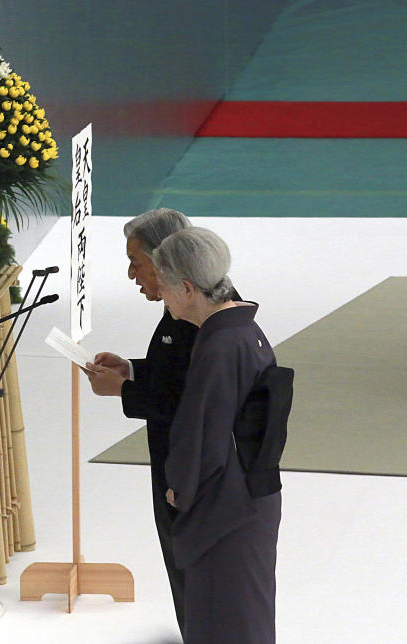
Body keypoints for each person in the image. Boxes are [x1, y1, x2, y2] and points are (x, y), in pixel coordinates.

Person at [154, 227, 281, 644]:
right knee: (246, 615)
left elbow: (202, 433)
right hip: (252, 496)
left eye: (164, 287)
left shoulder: (220, 345)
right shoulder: (245, 332)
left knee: (221, 620)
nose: (162, 297)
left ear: (187, 288)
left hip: (227, 509)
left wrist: (181, 490)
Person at [83, 207, 195, 632]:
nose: (132, 275)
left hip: (190, 475)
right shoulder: (178, 307)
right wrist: (131, 370)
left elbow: (193, 401)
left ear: (165, 259)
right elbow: (175, 374)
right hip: (172, 466)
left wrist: (123, 390)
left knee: (195, 576)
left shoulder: (196, 315)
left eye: (137, 263)